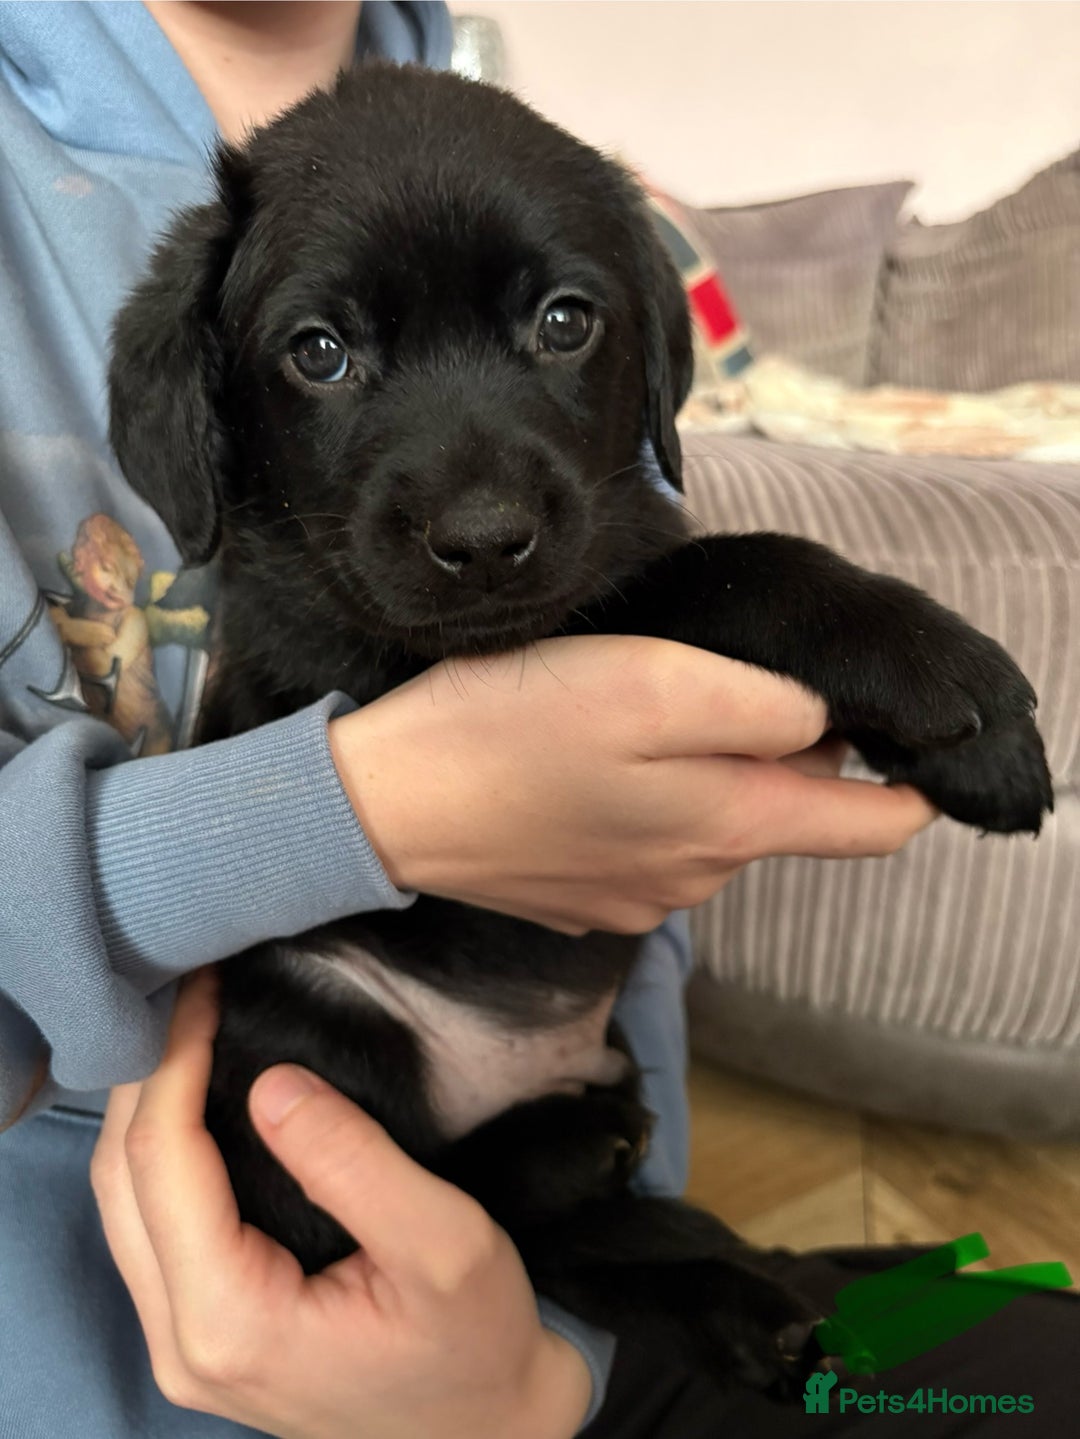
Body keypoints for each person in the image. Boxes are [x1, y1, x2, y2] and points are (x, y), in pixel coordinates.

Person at [0, 3, 998, 1437]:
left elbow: (665, 642)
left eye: (560, 325)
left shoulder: (500, 113)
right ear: (207, 403)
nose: (476, 507)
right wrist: (364, 806)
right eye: (326, 354)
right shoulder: (184, 249)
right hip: (151, 1325)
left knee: (1017, 1356)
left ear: (642, 360)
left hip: (556, 1301)